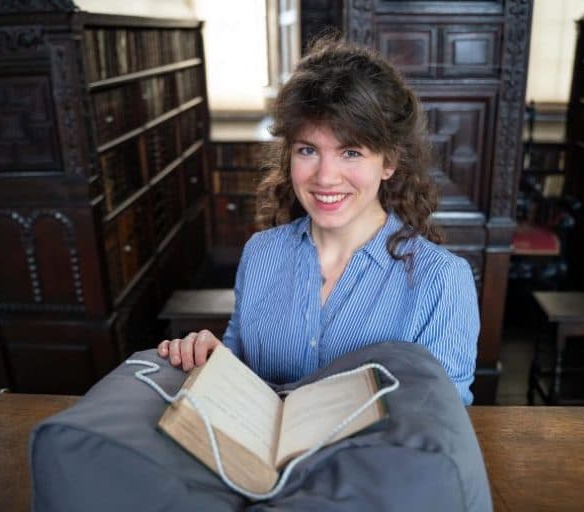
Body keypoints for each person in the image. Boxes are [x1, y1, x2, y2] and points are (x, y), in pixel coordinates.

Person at [158, 37, 480, 404]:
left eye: (351, 152)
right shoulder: (260, 253)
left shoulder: (443, 280)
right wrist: (212, 358)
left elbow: (443, 416)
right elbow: (241, 368)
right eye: (308, 150)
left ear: (389, 162)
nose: (325, 177)